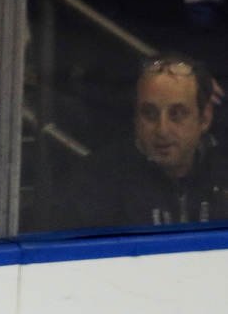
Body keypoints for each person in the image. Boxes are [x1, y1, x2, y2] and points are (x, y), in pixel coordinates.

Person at [59, 54, 228, 230]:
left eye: (177, 114)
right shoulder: (95, 182)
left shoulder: (223, 173)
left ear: (205, 118)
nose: (162, 130)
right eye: (149, 114)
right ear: (136, 118)